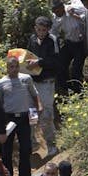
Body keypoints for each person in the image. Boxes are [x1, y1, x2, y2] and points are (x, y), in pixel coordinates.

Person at [0, 56, 42, 176]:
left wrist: (39, 105)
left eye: (16, 66)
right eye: (11, 67)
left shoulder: (26, 79)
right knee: (6, 151)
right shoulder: (1, 83)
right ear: (7, 68)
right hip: (8, 118)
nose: (14, 69)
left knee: (26, 149)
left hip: (24, 117)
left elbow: (34, 94)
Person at [25, 16, 60, 157]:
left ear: (48, 30)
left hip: (47, 82)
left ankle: (51, 145)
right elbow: (27, 56)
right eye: (38, 29)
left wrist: (39, 62)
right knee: (31, 113)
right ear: (35, 28)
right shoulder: (32, 40)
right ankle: (33, 143)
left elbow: (56, 60)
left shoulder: (52, 40)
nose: (40, 32)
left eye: (43, 30)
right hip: (33, 82)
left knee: (46, 114)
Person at [50, 0, 86, 95]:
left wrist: (75, 15)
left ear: (62, 7)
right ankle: (66, 89)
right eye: (54, 11)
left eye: (57, 10)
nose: (56, 13)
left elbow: (87, 11)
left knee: (75, 70)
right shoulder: (56, 17)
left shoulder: (72, 9)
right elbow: (53, 31)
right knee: (60, 64)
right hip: (69, 43)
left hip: (80, 44)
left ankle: (79, 92)